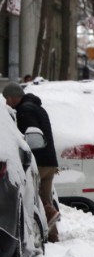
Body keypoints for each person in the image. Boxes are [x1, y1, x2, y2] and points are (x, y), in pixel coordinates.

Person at [4, 83, 60, 242]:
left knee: (35, 198)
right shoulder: (38, 108)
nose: (6, 103)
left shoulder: (24, 111)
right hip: (49, 162)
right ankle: (52, 235)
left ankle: (48, 218)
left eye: (6, 99)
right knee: (45, 197)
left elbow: (30, 137)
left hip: (38, 162)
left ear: (13, 97)